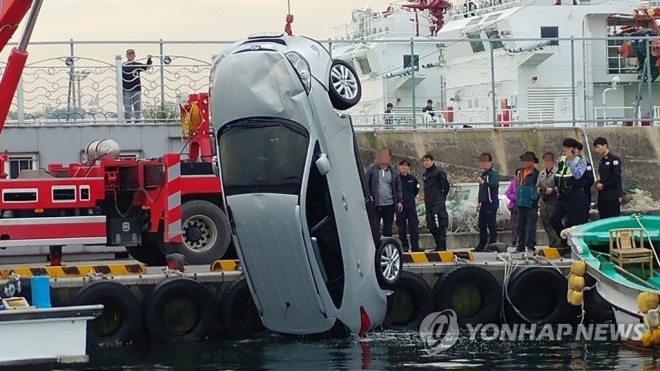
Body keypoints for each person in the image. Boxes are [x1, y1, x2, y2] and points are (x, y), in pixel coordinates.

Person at [549, 138, 588, 249]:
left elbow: (577, 175)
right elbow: (558, 175)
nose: (566, 150)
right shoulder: (560, 159)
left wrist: (570, 161)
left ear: (574, 149)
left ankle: (574, 246)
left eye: (569, 148)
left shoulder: (581, 161)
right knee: (553, 218)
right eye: (565, 148)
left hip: (575, 194)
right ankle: (564, 239)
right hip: (562, 195)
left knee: (574, 222)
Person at [366, 149, 403, 239]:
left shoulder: (393, 172)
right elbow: (365, 184)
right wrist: (369, 196)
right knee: (374, 228)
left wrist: (399, 201)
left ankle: (386, 246)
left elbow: (398, 187)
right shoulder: (371, 171)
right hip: (376, 205)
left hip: (389, 204)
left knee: (388, 229)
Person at [421, 154, 451, 251]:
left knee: (440, 225)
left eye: (428, 160)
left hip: (437, 202)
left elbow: (445, 187)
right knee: (431, 225)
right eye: (424, 161)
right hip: (428, 203)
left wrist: (441, 198)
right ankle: (437, 245)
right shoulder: (425, 174)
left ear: (432, 161)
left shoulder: (439, 173)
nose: (426, 163)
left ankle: (442, 247)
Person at [472, 153, 500, 252]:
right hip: (484, 203)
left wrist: (483, 182)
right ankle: (481, 244)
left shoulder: (493, 173)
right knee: (482, 224)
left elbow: (494, 185)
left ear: (490, 162)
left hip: (491, 202)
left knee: (491, 223)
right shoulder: (483, 174)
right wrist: (479, 202)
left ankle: (492, 245)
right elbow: (482, 189)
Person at [515, 151, 540, 253]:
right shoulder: (520, 172)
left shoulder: (536, 173)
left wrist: (534, 197)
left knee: (530, 227)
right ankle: (520, 246)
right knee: (519, 226)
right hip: (520, 203)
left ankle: (530, 246)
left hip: (530, 204)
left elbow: (537, 188)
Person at [536, 152, 562, 248]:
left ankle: (559, 242)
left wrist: (552, 190)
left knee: (554, 220)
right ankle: (552, 241)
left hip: (554, 200)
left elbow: (560, 186)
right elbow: (537, 185)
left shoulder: (557, 172)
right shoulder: (541, 173)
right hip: (544, 200)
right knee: (545, 221)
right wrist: (539, 189)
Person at [593, 137, 622, 219]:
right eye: (595, 148)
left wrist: (604, 185)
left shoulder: (614, 159)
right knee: (603, 218)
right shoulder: (602, 161)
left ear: (605, 145)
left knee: (613, 219)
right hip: (602, 195)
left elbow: (616, 176)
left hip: (612, 195)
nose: (597, 150)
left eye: (598, 147)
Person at [396, 160, 421, 252]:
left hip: (411, 206)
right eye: (402, 166)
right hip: (400, 207)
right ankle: (405, 246)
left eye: (406, 166)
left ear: (408, 168)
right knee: (401, 227)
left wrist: (410, 199)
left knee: (414, 227)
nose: (404, 168)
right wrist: (398, 201)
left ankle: (415, 246)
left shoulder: (413, 179)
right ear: (399, 167)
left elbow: (416, 190)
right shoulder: (396, 179)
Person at [122, 49, 153, 122]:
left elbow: (146, 67)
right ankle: (128, 121)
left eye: (132, 54)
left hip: (136, 89)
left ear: (134, 55)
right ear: (126, 56)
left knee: (137, 106)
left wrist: (149, 59)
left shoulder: (137, 64)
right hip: (126, 89)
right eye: (129, 54)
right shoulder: (123, 65)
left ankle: (137, 120)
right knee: (127, 107)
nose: (131, 56)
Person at [576, 141, 595, 224]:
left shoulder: (586, 165)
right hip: (569, 200)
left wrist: (578, 185)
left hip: (583, 198)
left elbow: (590, 180)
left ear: (579, 151)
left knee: (583, 221)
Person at [505, 170, 519, 247]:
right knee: (514, 224)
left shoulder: (525, 183)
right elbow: (508, 193)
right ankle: (514, 241)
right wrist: (515, 198)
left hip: (523, 205)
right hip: (514, 206)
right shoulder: (513, 183)